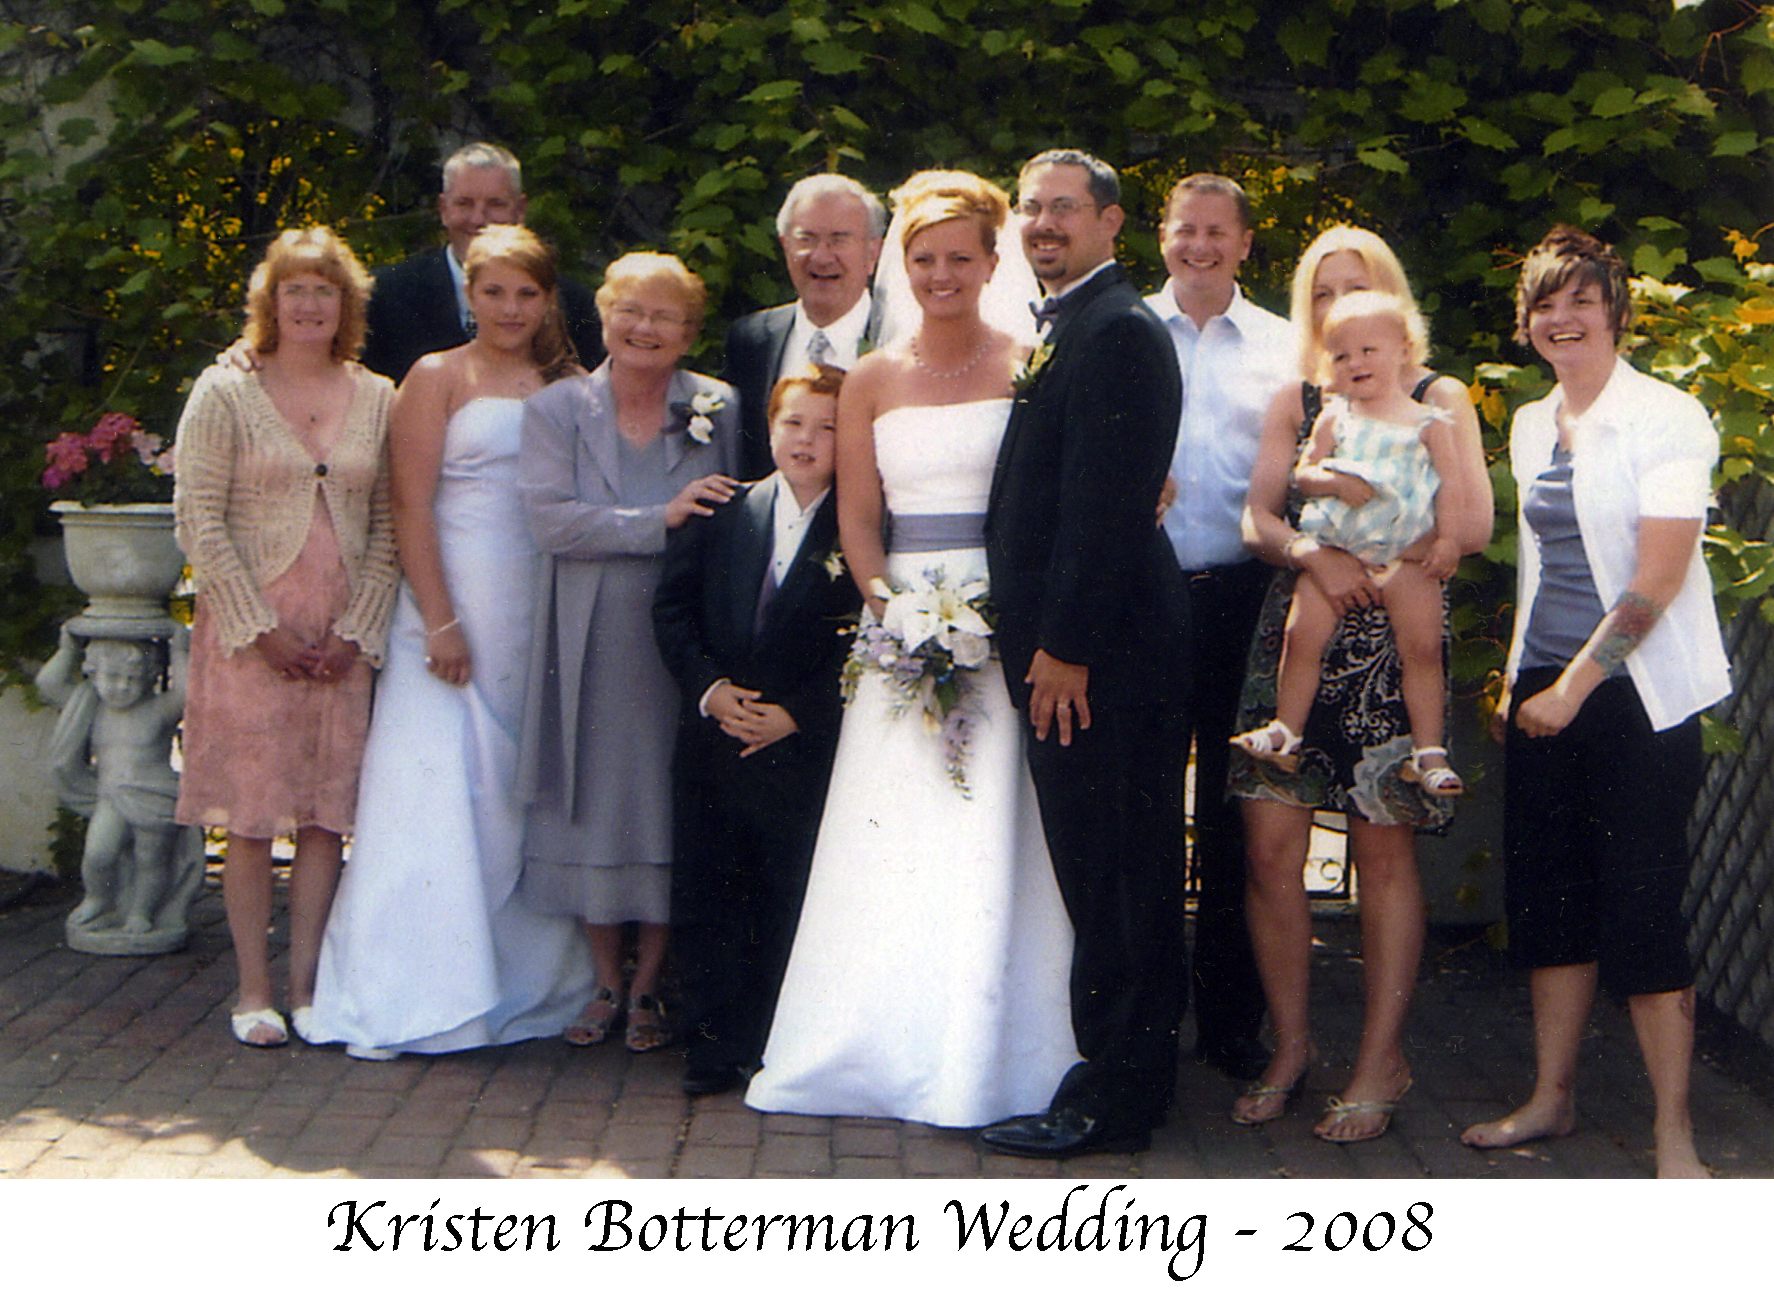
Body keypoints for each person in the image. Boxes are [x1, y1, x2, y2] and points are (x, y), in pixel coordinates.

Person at [745, 170, 1080, 1128]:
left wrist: (992, 617)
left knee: (997, 836)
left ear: (989, 264)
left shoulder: (1030, 362)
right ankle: (873, 1045)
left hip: (1006, 622)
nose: (941, 275)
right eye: (924, 260)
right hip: (904, 636)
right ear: (907, 265)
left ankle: (994, 1054)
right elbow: (859, 523)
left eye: (959, 260)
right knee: (895, 838)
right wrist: (894, 613)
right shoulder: (876, 379)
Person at [1460, 227, 1727, 1179]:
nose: (1561, 319)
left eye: (1580, 300)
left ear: (1616, 310)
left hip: (1637, 697)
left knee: (1645, 910)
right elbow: (1547, 566)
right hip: (1547, 690)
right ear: (1527, 323)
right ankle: (1552, 1098)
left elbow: (1655, 580)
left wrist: (1573, 687)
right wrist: (1524, 680)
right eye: (1545, 305)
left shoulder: (1668, 418)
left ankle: (1673, 1135)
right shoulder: (1535, 422)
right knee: (1550, 902)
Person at [304, 226, 596, 1059]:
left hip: (535, 610)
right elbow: (410, 503)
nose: (510, 308)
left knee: (517, 796)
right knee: (439, 797)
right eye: (494, 291)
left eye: (526, 293)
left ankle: (524, 982)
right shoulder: (436, 376)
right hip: (449, 607)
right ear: (469, 294)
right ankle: (418, 991)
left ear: (548, 300)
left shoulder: (569, 381)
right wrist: (438, 617)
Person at [1230, 225, 1492, 1141]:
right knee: (1269, 848)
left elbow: (1475, 521)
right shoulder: (1298, 398)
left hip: (1395, 627)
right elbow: (1259, 513)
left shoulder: (1437, 395)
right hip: (1304, 616)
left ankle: (1382, 1057)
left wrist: (1430, 543)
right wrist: (1310, 550)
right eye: (1321, 296)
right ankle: (1293, 1044)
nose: (1339, 311)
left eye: (1356, 288)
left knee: (1383, 850)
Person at [976, 150, 1190, 1159]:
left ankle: (1114, 1101)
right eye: (1032, 209)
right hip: (1081, 657)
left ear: (1111, 223)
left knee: (1118, 875)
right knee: (1103, 872)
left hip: (1101, 664)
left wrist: (1062, 648)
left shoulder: (1116, 333)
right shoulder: (1070, 326)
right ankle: (1118, 1073)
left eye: (1065, 208)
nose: (1044, 224)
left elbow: (1105, 514)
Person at [173, 226, 398, 1048]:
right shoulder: (225, 390)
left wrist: (358, 626)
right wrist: (256, 627)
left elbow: (388, 523)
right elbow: (198, 514)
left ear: (348, 306)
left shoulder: (378, 395)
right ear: (269, 301)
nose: (309, 304)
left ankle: (308, 989)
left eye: (325, 290)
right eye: (294, 289)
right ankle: (253, 990)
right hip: (249, 637)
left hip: (339, 635)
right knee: (254, 815)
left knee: (324, 818)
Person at [516, 251, 739, 1053]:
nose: (645, 327)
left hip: (683, 635)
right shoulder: (555, 409)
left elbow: (741, 514)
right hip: (588, 634)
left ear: (687, 331)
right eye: (630, 310)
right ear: (603, 313)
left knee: (667, 795)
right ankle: (606, 980)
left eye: (665, 316)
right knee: (597, 800)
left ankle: (651, 988)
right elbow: (552, 522)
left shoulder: (719, 404)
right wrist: (661, 518)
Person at [653, 366, 860, 1098]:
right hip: (715, 735)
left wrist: (800, 712)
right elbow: (671, 611)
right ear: (769, 428)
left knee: (787, 891)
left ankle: (778, 1037)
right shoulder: (724, 510)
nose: (807, 439)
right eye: (794, 423)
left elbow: (864, 639)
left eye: (828, 427)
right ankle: (713, 1043)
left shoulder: (860, 525)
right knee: (711, 888)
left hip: (797, 745)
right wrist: (710, 691)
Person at [1145, 173, 1294, 1082]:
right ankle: (1153, 1012)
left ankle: (1232, 1017)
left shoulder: (1283, 345)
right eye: (1183, 230)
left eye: (1216, 232)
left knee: (1239, 814)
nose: (1198, 245)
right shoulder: (1126, 334)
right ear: (1161, 238)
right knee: (1150, 808)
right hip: (1150, 596)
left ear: (1244, 244)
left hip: (1247, 597)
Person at [1234, 289, 1470, 797]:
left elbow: (1451, 487)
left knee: (1423, 649)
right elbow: (1304, 475)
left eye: (1369, 350)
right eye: (1341, 355)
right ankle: (1286, 732)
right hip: (1338, 550)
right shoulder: (1334, 417)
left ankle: (1430, 752)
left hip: (1405, 556)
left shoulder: (1428, 422)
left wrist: (1448, 539)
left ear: (1404, 350)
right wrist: (1335, 483)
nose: (1355, 362)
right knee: (1302, 637)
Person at [360, 142, 604, 383]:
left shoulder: (573, 304)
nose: (478, 219)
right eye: (464, 204)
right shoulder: (386, 293)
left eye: (496, 204)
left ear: (520, 210)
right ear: (444, 209)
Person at [721, 174, 886, 479]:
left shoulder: (896, 339)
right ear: (785, 247)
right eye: (806, 239)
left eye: (839, 239)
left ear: (873, 252)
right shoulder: (751, 339)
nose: (822, 257)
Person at [37, 627, 185, 935]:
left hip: (155, 795)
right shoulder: (93, 707)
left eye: (132, 679)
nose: (122, 688)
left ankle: (142, 913)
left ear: (151, 677)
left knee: (151, 859)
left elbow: (188, 693)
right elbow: (48, 684)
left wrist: (179, 650)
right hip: (111, 796)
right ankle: (98, 899)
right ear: (92, 674)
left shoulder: (157, 710)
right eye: (113, 678)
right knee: (98, 853)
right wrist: (67, 650)